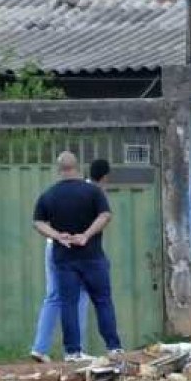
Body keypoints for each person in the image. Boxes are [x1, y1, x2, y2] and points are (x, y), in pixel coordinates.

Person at [32, 152, 120, 363]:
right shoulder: (93, 192)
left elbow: (37, 222)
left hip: (64, 258)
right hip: (92, 257)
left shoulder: (49, 195)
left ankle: (72, 351)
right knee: (102, 301)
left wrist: (57, 235)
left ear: (59, 169)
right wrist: (86, 235)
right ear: (78, 167)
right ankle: (113, 347)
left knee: (68, 303)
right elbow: (105, 215)